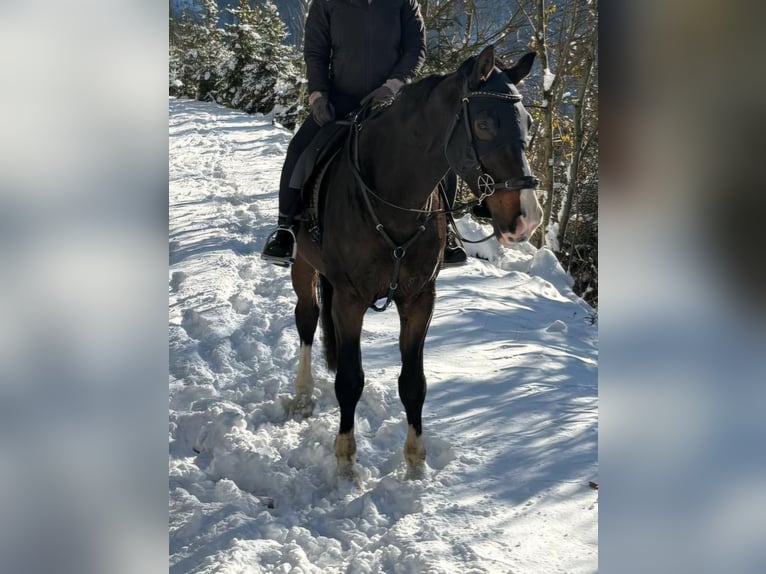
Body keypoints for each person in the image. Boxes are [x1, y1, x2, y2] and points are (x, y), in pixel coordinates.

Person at [261, 0, 467, 266]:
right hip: (341, 99)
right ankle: (285, 228)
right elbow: (316, 52)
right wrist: (318, 95)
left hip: (395, 102)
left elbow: (415, 48)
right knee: (300, 149)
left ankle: (446, 230)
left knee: (440, 151)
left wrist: (392, 87)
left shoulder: (404, 3)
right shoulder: (326, 4)